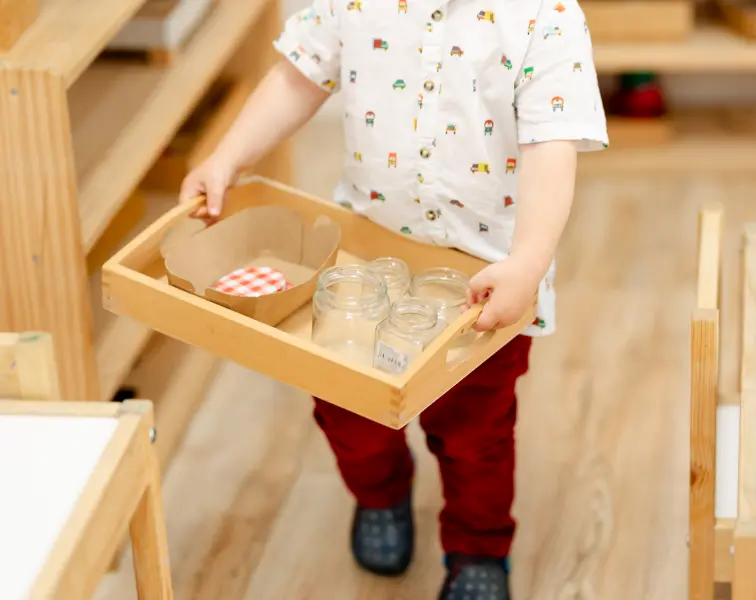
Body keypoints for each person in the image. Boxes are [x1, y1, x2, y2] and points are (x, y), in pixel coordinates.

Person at [180, 0, 607, 597]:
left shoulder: (545, 15)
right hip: (363, 262)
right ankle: (380, 495)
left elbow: (551, 145)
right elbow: (299, 75)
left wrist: (529, 264)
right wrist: (227, 157)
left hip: (484, 284)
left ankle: (477, 547)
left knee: (476, 436)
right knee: (348, 412)